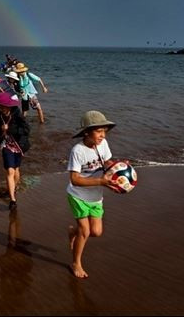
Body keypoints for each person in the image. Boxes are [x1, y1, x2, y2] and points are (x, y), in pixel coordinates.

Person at [66, 110, 116, 279]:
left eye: (105, 132)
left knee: (96, 232)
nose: (103, 135)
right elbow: (74, 179)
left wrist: (119, 168)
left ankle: (73, 231)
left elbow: (107, 162)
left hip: (96, 196)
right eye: (99, 131)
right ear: (87, 132)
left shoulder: (103, 145)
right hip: (78, 195)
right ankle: (76, 263)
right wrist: (100, 182)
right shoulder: (77, 151)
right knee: (85, 232)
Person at [0, 92, 31, 210]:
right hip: (6, 146)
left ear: (9, 106)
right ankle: (13, 200)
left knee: (16, 170)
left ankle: (14, 188)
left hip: (19, 145)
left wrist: (11, 130)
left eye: (4, 106)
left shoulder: (18, 115)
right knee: (10, 171)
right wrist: (1, 129)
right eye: (0, 106)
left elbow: (27, 130)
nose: (2, 109)